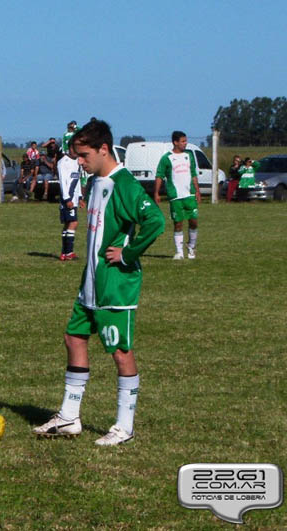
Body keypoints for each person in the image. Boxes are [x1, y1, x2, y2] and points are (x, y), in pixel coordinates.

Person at [33, 119, 164, 446]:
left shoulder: (126, 185)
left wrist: (128, 253)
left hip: (115, 288)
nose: (79, 161)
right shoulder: (94, 183)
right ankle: (68, 417)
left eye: (84, 154)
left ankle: (124, 426)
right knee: (74, 337)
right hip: (89, 284)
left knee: (121, 352)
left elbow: (155, 221)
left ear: (104, 149)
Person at [154, 131, 200, 260]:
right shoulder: (166, 158)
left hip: (189, 195)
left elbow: (193, 174)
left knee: (194, 221)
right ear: (175, 142)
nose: (185, 143)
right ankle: (179, 252)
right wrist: (156, 193)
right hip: (175, 197)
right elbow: (159, 176)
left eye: (186, 141)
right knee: (178, 223)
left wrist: (197, 190)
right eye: (183, 141)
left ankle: (191, 246)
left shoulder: (189, 155)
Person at [57, 141, 81, 260]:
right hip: (68, 198)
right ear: (70, 148)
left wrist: (80, 196)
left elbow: (77, 180)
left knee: (68, 224)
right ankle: (69, 252)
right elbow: (63, 182)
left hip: (74, 198)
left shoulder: (78, 162)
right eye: (74, 148)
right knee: (73, 223)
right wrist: (67, 198)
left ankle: (64, 253)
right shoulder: (63, 162)